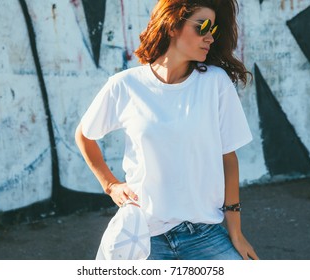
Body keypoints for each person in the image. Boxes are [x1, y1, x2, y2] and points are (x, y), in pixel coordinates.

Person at [75, 0, 258, 260]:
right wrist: (111, 185)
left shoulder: (215, 84)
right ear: (172, 27)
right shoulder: (125, 85)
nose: (209, 37)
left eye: (213, 30)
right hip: (142, 235)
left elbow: (228, 159)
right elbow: (84, 135)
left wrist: (236, 233)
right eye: (202, 27)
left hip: (203, 234)